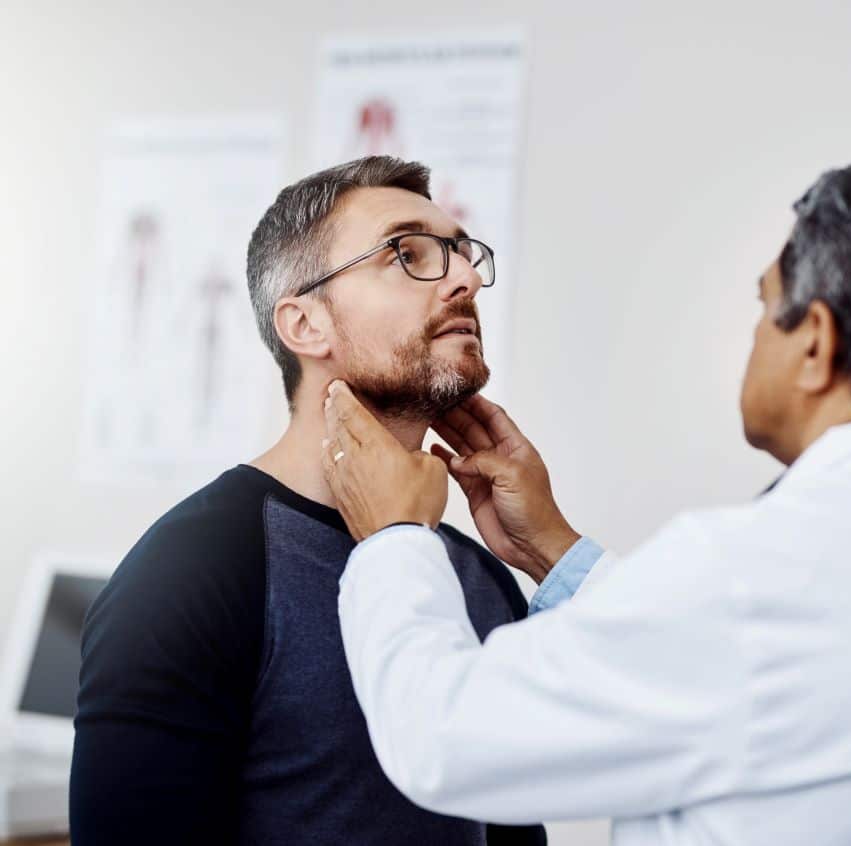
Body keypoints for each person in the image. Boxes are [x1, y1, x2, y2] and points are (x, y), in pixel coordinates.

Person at [323, 159, 851, 846]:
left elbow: (445, 739)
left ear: (815, 345)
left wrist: (394, 536)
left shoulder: (753, 575)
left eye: (766, 308)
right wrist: (554, 553)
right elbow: (772, 688)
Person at [70, 156, 546, 846]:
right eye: (406, 254)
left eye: (462, 254)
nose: (466, 278)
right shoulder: (190, 571)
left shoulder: (482, 578)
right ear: (304, 325)